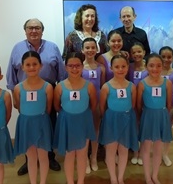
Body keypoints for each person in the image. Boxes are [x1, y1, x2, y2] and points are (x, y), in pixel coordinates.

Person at [6, 18, 65, 175]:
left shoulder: (52, 47)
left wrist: (60, 95)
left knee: (49, 123)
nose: (33, 31)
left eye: (37, 27)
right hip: (24, 93)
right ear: (25, 30)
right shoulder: (17, 48)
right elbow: (11, 75)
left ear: (42, 30)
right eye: (30, 28)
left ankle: (50, 156)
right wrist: (15, 97)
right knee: (29, 126)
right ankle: (29, 160)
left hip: (49, 91)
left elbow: (61, 73)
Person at [53, 52, 97, 184]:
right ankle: (70, 181)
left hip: (84, 122)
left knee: (82, 154)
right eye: (71, 66)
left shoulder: (89, 85)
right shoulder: (60, 86)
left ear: (82, 66)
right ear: (66, 67)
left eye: (77, 65)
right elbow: (57, 106)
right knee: (69, 154)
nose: (74, 69)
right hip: (67, 122)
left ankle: (81, 181)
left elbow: (93, 105)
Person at [13, 51, 53, 184]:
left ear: (40, 65)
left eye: (34, 64)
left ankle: (42, 182)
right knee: (30, 156)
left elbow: (48, 108)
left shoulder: (47, 87)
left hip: (42, 123)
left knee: (43, 155)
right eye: (28, 65)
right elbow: (19, 107)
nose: (31, 67)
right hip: (26, 123)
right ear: (22, 67)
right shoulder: (18, 88)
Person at [98, 55, 138, 184]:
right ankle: (113, 178)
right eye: (117, 67)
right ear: (111, 68)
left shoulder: (131, 86)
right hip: (111, 120)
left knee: (123, 149)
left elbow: (132, 104)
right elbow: (102, 106)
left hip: (127, 119)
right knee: (110, 150)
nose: (120, 69)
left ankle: (120, 177)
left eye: (123, 66)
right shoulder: (106, 87)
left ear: (127, 67)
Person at [137, 53, 173, 184]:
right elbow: (138, 104)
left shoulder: (167, 83)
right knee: (146, 148)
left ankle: (155, 175)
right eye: (151, 66)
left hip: (161, 116)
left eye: (158, 66)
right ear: (146, 67)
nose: (155, 69)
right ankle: (147, 176)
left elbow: (169, 104)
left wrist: (163, 115)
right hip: (147, 116)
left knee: (158, 148)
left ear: (162, 66)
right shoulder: (142, 84)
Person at [81, 37, 106, 174]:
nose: (90, 50)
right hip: (83, 105)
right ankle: (84, 159)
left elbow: (102, 87)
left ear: (97, 49)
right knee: (85, 132)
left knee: (96, 130)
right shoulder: (79, 68)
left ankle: (94, 157)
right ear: (82, 50)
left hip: (96, 104)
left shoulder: (101, 68)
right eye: (87, 48)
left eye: (92, 47)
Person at [159, 46, 173, 167]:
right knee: (155, 131)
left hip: (170, 106)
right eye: (163, 57)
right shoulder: (154, 71)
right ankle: (155, 153)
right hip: (156, 107)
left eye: (169, 57)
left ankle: (165, 154)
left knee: (167, 131)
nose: (166, 59)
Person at [128, 42, 148, 166]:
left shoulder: (148, 67)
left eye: (139, 51)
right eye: (134, 52)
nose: (137, 54)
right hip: (131, 100)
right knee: (134, 127)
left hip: (146, 100)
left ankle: (142, 153)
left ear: (144, 52)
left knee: (144, 127)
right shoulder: (129, 67)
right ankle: (135, 152)